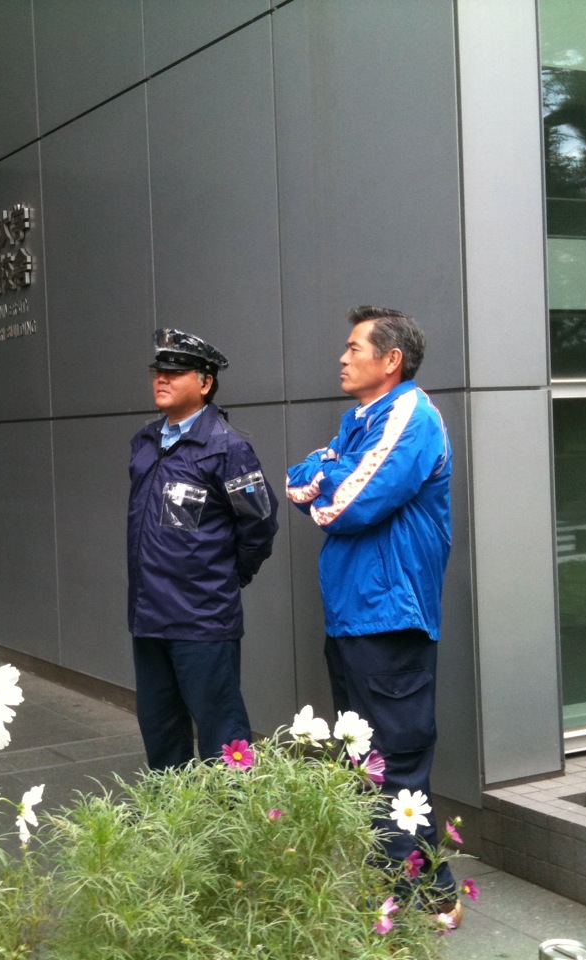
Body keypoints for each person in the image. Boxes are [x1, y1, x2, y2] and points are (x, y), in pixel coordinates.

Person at [285, 305, 459, 925]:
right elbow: (299, 479)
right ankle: (413, 890)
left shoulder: (411, 417)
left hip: (391, 617)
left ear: (391, 360)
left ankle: (415, 897)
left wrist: (328, 478)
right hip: (353, 615)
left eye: (354, 347)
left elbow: (348, 506)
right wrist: (329, 474)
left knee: (396, 759)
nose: (342, 357)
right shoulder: (360, 421)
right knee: (367, 759)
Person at [127, 328, 278, 769]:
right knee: (161, 733)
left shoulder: (228, 449)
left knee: (222, 736)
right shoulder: (145, 442)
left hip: (202, 620)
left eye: (175, 372)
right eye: (158, 370)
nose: (162, 378)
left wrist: (228, 577)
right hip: (149, 616)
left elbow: (260, 524)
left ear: (206, 382)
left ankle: (235, 812)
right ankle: (171, 813)